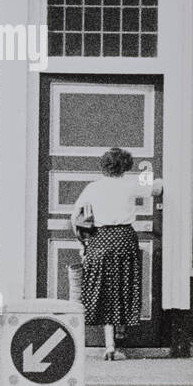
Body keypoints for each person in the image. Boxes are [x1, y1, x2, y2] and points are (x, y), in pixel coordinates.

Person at [71, 147, 164, 360]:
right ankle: (120, 336)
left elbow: (74, 218)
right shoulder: (131, 185)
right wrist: (151, 174)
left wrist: (84, 244)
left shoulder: (93, 187)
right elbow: (158, 188)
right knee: (123, 287)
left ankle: (110, 344)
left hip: (100, 240)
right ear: (125, 166)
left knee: (104, 290)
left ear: (104, 166)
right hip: (124, 239)